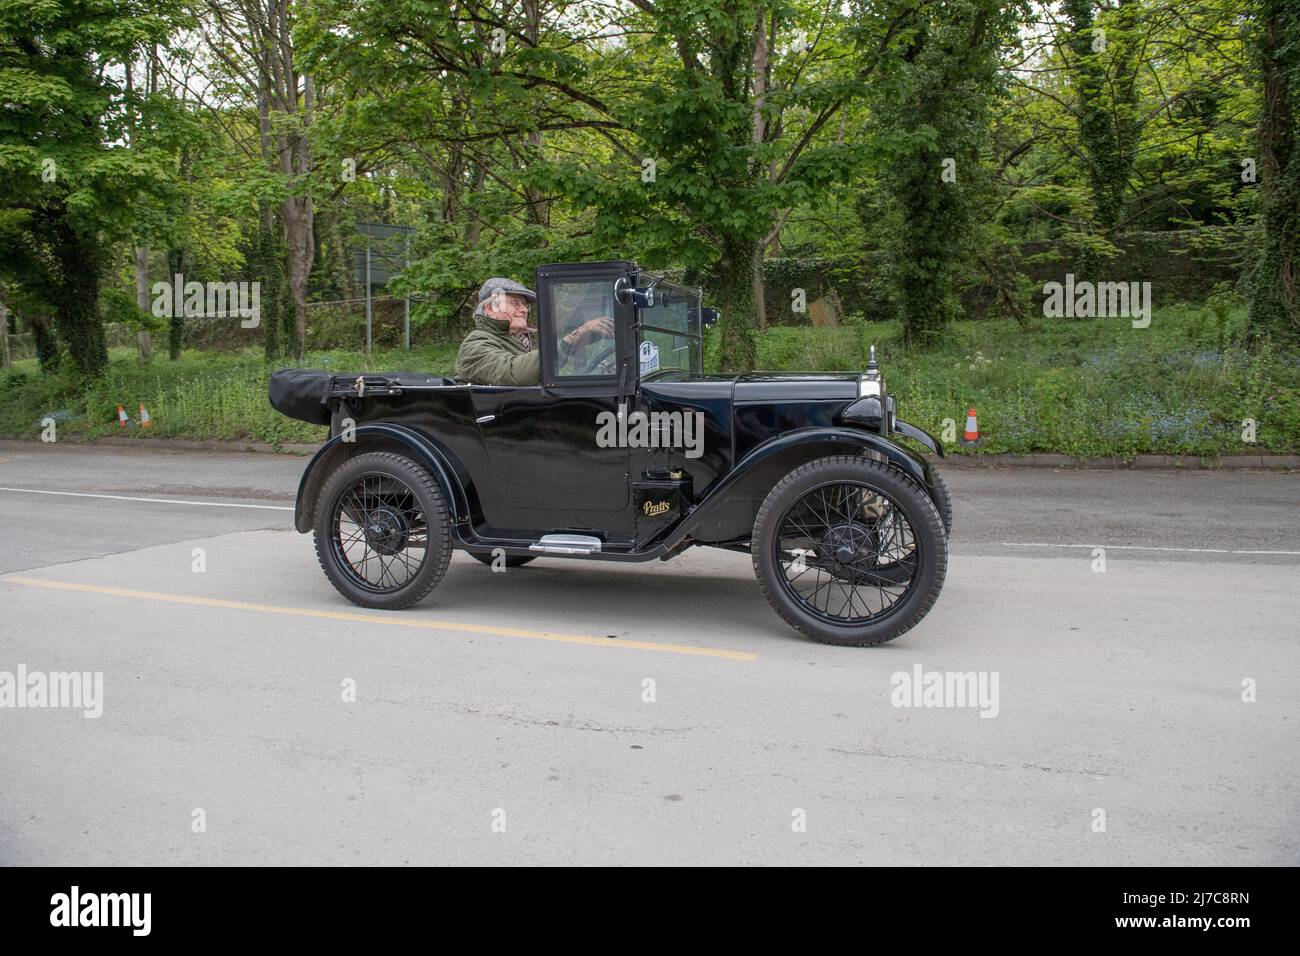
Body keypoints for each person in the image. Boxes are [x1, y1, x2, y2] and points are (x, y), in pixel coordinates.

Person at [455, 277, 613, 385]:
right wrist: (574, 337)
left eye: (525, 305)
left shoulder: (515, 341)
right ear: (491, 309)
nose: (524, 310)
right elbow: (515, 374)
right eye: (515, 303)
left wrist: (582, 339)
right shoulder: (475, 344)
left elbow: (542, 373)